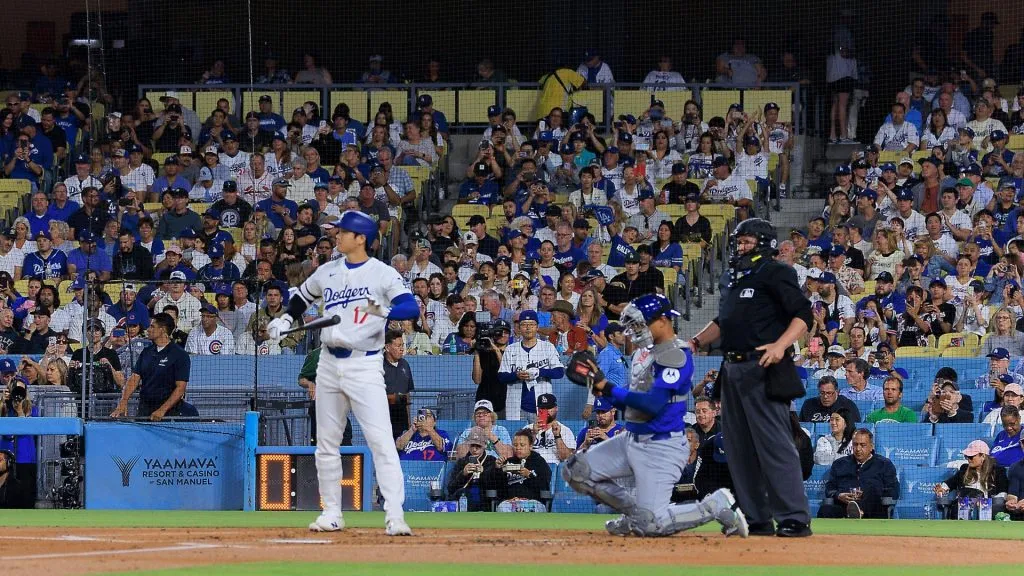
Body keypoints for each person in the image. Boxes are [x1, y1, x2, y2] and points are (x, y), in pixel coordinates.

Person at [265, 210, 419, 536]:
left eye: (342, 232)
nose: (337, 236)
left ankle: (394, 515)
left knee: (380, 441)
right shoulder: (328, 271)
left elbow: (410, 306)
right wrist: (283, 320)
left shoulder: (381, 273)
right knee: (326, 443)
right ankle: (332, 512)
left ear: (360, 237)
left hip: (364, 365)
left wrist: (382, 311)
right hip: (328, 364)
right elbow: (302, 298)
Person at [563, 294, 748, 538]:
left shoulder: (676, 355)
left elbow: (652, 404)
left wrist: (605, 386)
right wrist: (598, 386)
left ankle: (714, 506)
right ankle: (634, 515)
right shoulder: (643, 353)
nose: (635, 331)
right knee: (576, 472)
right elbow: (630, 399)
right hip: (632, 438)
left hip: (662, 446)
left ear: (662, 320)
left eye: (640, 324)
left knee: (651, 526)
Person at [690, 218, 813, 537]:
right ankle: (756, 518)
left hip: (763, 366)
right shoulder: (732, 278)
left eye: (746, 242)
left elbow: (803, 313)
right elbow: (723, 320)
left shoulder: (777, 272)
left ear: (765, 244)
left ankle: (794, 518)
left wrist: (782, 345)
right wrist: (695, 341)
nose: (740, 247)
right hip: (731, 369)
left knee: (774, 445)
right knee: (738, 448)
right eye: (738, 242)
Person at [110, 313, 193, 421]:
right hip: (144, 409)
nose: (148, 329)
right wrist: (123, 401)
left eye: (152, 326)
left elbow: (180, 388)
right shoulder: (146, 352)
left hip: (169, 413)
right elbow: (134, 378)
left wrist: (162, 410)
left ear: (162, 330)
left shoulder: (179, 355)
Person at [497, 310, 564, 420]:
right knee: (518, 436)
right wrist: (516, 375)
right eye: (524, 324)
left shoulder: (547, 347)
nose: (528, 328)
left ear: (537, 327)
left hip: (543, 406)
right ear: (519, 327)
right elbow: (501, 376)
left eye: (531, 324)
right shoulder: (510, 349)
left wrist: (539, 372)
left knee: (542, 435)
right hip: (516, 407)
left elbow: (559, 372)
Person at [819, 429, 899, 519]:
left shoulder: (884, 464)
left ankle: (859, 511)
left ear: (871, 446)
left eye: (863, 445)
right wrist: (839, 495)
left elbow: (894, 490)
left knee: (872, 489)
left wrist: (867, 495)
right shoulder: (840, 464)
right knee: (825, 510)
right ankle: (854, 512)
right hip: (844, 507)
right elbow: (830, 488)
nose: (858, 449)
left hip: (873, 510)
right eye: (855, 444)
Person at [934, 440, 1008, 518]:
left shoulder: (997, 471)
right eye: (966, 457)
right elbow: (950, 483)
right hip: (962, 508)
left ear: (983, 456)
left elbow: (1003, 493)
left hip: (985, 511)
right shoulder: (964, 469)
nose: (968, 459)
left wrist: (985, 503)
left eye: (971, 457)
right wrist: (942, 488)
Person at [484, 429, 552, 513]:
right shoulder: (507, 462)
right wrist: (497, 469)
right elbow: (493, 484)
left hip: (532, 503)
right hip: (510, 503)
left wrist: (529, 475)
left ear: (530, 446)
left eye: (522, 445)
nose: (518, 448)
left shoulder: (539, 462)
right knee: (502, 508)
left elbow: (545, 485)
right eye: (515, 445)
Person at [446, 427, 500, 511]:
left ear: (485, 445)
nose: (474, 449)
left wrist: (483, 473)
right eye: (472, 445)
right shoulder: (462, 462)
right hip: (464, 501)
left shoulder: (491, 461)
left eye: (478, 446)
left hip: (485, 502)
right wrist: (463, 474)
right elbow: (451, 488)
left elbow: (496, 487)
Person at [471, 319, 512, 418]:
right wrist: (477, 353)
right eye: (499, 332)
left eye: (506, 332)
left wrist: (495, 349)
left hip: (504, 402)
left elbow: (506, 370)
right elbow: (477, 380)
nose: (502, 335)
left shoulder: (512, 352)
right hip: (484, 401)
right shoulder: (485, 353)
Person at [383, 329, 415, 439]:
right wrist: (395, 398)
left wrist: (409, 423)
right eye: (398, 346)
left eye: (402, 345)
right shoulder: (378, 366)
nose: (402, 349)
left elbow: (407, 395)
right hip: (383, 418)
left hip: (402, 419)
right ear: (387, 347)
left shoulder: (405, 365)